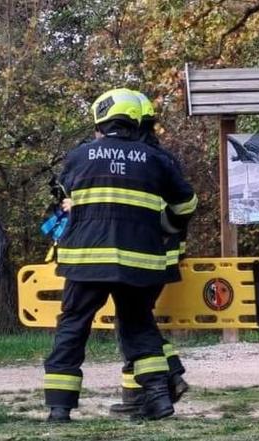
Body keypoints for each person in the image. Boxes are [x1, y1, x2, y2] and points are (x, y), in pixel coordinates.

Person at [43, 88, 197, 422]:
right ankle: (158, 398)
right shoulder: (155, 159)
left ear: (102, 120)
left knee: (73, 327)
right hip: (139, 260)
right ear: (137, 120)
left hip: (86, 260)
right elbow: (187, 204)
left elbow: (65, 197)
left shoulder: (79, 155)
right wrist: (166, 226)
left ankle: (59, 408)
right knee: (138, 325)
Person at [109, 91, 195, 415]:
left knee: (134, 324)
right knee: (137, 320)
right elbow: (181, 207)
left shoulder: (137, 161)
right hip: (165, 254)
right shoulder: (163, 159)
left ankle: (166, 379)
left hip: (143, 253)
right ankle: (144, 393)